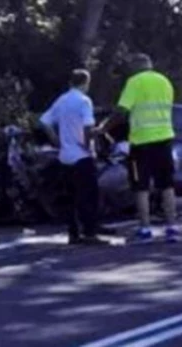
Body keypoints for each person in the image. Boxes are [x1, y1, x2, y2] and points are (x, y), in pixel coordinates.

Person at [99, 53, 178, 243]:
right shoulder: (165, 81)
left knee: (140, 187)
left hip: (141, 142)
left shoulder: (134, 82)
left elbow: (121, 111)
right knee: (167, 185)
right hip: (165, 139)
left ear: (136, 66)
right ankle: (171, 227)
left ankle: (145, 229)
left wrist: (103, 128)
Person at [39, 69, 108, 246]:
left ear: (71, 82)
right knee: (89, 195)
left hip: (65, 155)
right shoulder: (84, 101)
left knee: (70, 196)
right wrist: (87, 145)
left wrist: (55, 139)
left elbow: (44, 121)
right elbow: (87, 126)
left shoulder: (62, 100)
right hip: (81, 155)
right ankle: (90, 232)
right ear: (86, 83)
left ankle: (73, 233)